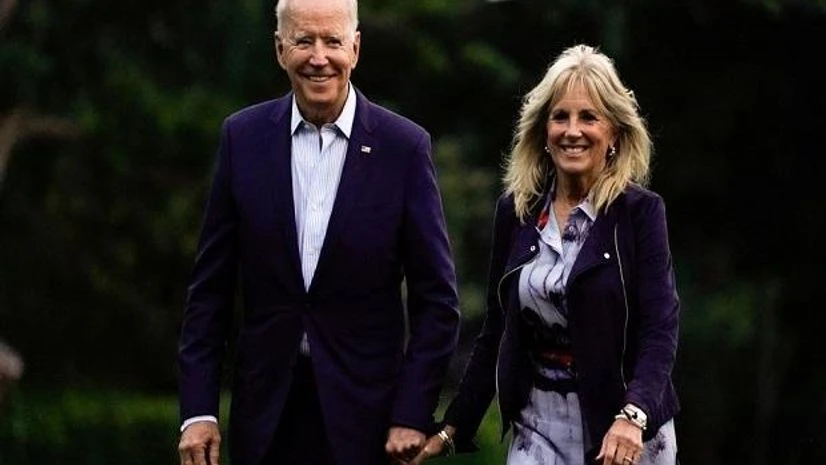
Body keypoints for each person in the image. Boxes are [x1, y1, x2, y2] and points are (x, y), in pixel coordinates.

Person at [176, 1, 461, 464]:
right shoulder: (241, 140)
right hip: (264, 420)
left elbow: (438, 303)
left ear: (356, 46)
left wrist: (413, 411)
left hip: (368, 425)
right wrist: (198, 412)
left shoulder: (403, 148)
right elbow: (208, 294)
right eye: (304, 41)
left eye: (332, 41)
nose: (319, 56)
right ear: (279, 49)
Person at [411, 44, 680, 465]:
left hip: (624, 431)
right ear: (543, 130)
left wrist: (635, 414)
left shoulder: (640, 213)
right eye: (561, 116)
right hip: (539, 430)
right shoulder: (516, 211)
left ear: (613, 132)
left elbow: (660, 329)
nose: (572, 130)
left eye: (588, 117)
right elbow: (496, 331)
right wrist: (453, 427)